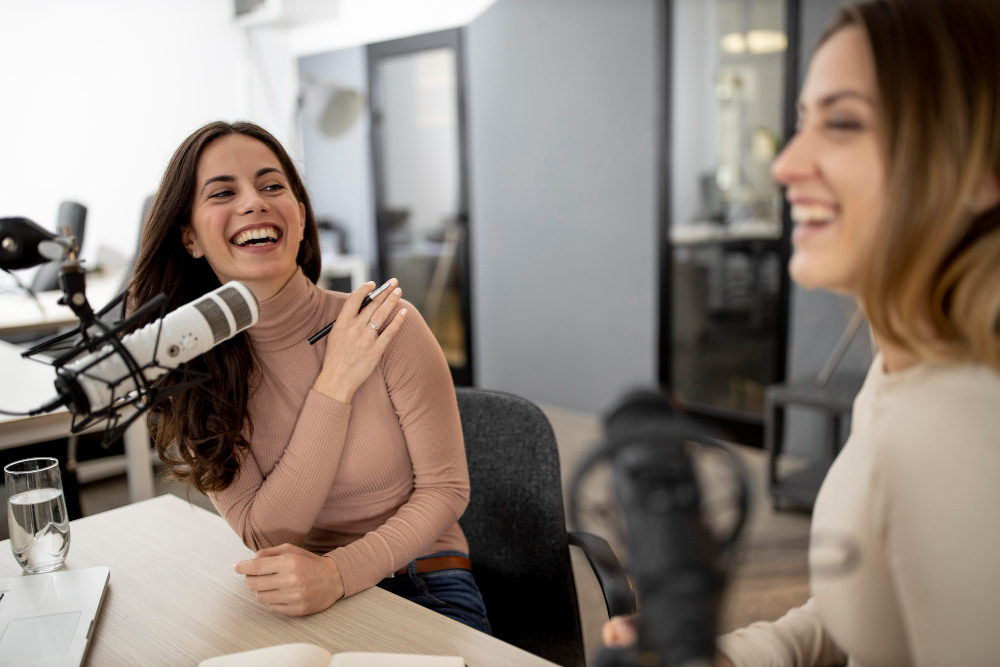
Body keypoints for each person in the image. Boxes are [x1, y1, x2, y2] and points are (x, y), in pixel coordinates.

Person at [605, 0, 1000, 664]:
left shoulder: (961, 427)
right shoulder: (899, 371)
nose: (786, 164)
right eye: (801, 124)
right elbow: (869, 610)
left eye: (842, 123)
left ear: (976, 167)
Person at [127, 121, 490, 633]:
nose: (253, 202)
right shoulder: (190, 370)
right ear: (188, 237)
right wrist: (335, 383)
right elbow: (264, 532)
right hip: (295, 586)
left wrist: (339, 573)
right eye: (224, 192)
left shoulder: (386, 324)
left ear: (299, 216)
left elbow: (446, 489)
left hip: (419, 574)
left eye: (272, 186)